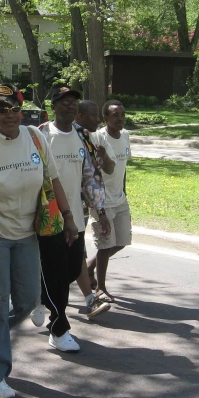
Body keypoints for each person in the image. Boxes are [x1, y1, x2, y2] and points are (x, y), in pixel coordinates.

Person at [0, 83, 78, 398]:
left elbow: (53, 179)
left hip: (26, 233)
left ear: (20, 111)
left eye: (13, 109)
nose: (8, 115)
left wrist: (68, 216)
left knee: (26, 301)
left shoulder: (35, 138)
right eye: (0, 110)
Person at [30, 89, 112, 352]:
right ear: (53, 106)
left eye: (73, 103)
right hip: (47, 218)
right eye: (64, 103)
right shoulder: (40, 134)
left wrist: (100, 211)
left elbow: (90, 176)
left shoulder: (82, 135)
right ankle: (59, 328)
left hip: (74, 217)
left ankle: (40, 298)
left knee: (68, 271)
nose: (70, 107)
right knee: (55, 273)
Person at [86, 99, 132, 302]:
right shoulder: (98, 138)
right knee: (105, 246)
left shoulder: (126, 136)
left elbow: (123, 168)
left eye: (122, 115)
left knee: (122, 241)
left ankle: (88, 268)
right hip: (101, 200)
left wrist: (124, 191)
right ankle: (100, 288)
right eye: (115, 115)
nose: (120, 119)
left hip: (120, 198)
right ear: (105, 118)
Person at [74, 99, 116, 301]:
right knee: (54, 254)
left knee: (76, 251)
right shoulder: (49, 134)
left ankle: (89, 298)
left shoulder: (89, 139)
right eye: (93, 115)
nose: (98, 120)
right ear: (79, 116)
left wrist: (101, 212)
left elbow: (92, 178)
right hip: (54, 207)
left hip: (79, 208)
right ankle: (35, 297)